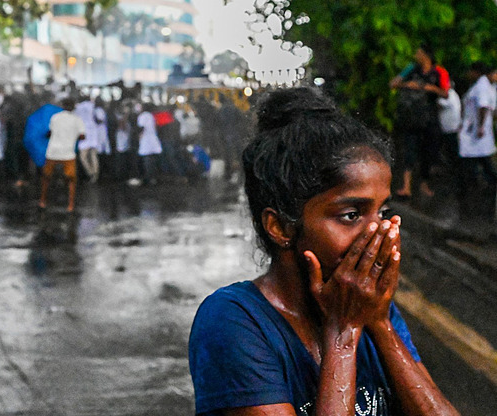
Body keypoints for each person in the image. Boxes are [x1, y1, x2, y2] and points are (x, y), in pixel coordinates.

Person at [188, 87, 459, 416]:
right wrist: (343, 332)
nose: (380, 231)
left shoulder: (368, 305)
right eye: (351, 215)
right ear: (282, 227)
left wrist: (378, 323)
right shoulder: (234, 321)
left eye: (383, 213)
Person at [390, 44, 449, 198]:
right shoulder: (411, 69)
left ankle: (424, 184)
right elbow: (393, 84)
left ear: (426, 55)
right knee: (410, 149)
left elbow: (445, 93)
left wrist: (429, 88)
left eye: (419, 52)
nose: (416, 55)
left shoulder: (439, 72)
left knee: (428, 152)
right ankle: (406, 186)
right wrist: (407, 85)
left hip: (429, 117)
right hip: (411, 116)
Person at [457, 62, 497, 213]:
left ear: (476, 72)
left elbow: (483, 106)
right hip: (475, 136)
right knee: (481, 163)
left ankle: (473, 197)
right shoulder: (483, 85)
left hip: (475, 135)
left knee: (472, 165)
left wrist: (480, 126)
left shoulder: (482, 86)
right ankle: (481, 190)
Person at [39, 98, 85, 213]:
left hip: (52, 152)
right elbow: (83, 136)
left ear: (62, 105)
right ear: (73, 107)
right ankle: (70, 205)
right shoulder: (77, 119)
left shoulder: (55, 117)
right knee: (71, 179)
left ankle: (43, 201)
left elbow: (50, 132)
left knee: (46, 177)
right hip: (68, 153)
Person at [75, 95, 100, 183]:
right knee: (93, 155)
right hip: (93, 133)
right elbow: (97, 119)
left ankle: (90, 172)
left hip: (84, 133)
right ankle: (95, 174)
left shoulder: (77, 108)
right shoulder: (92, 105)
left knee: (83, 157)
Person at [136, 102, 163, 185]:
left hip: (146, 140)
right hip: (152, 139)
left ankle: (148, 178)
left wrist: (138, 136)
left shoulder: (142, 116)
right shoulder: (151, 116)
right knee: (152, 160)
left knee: (147, 160)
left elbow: (141, 128)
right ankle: (153, 178)